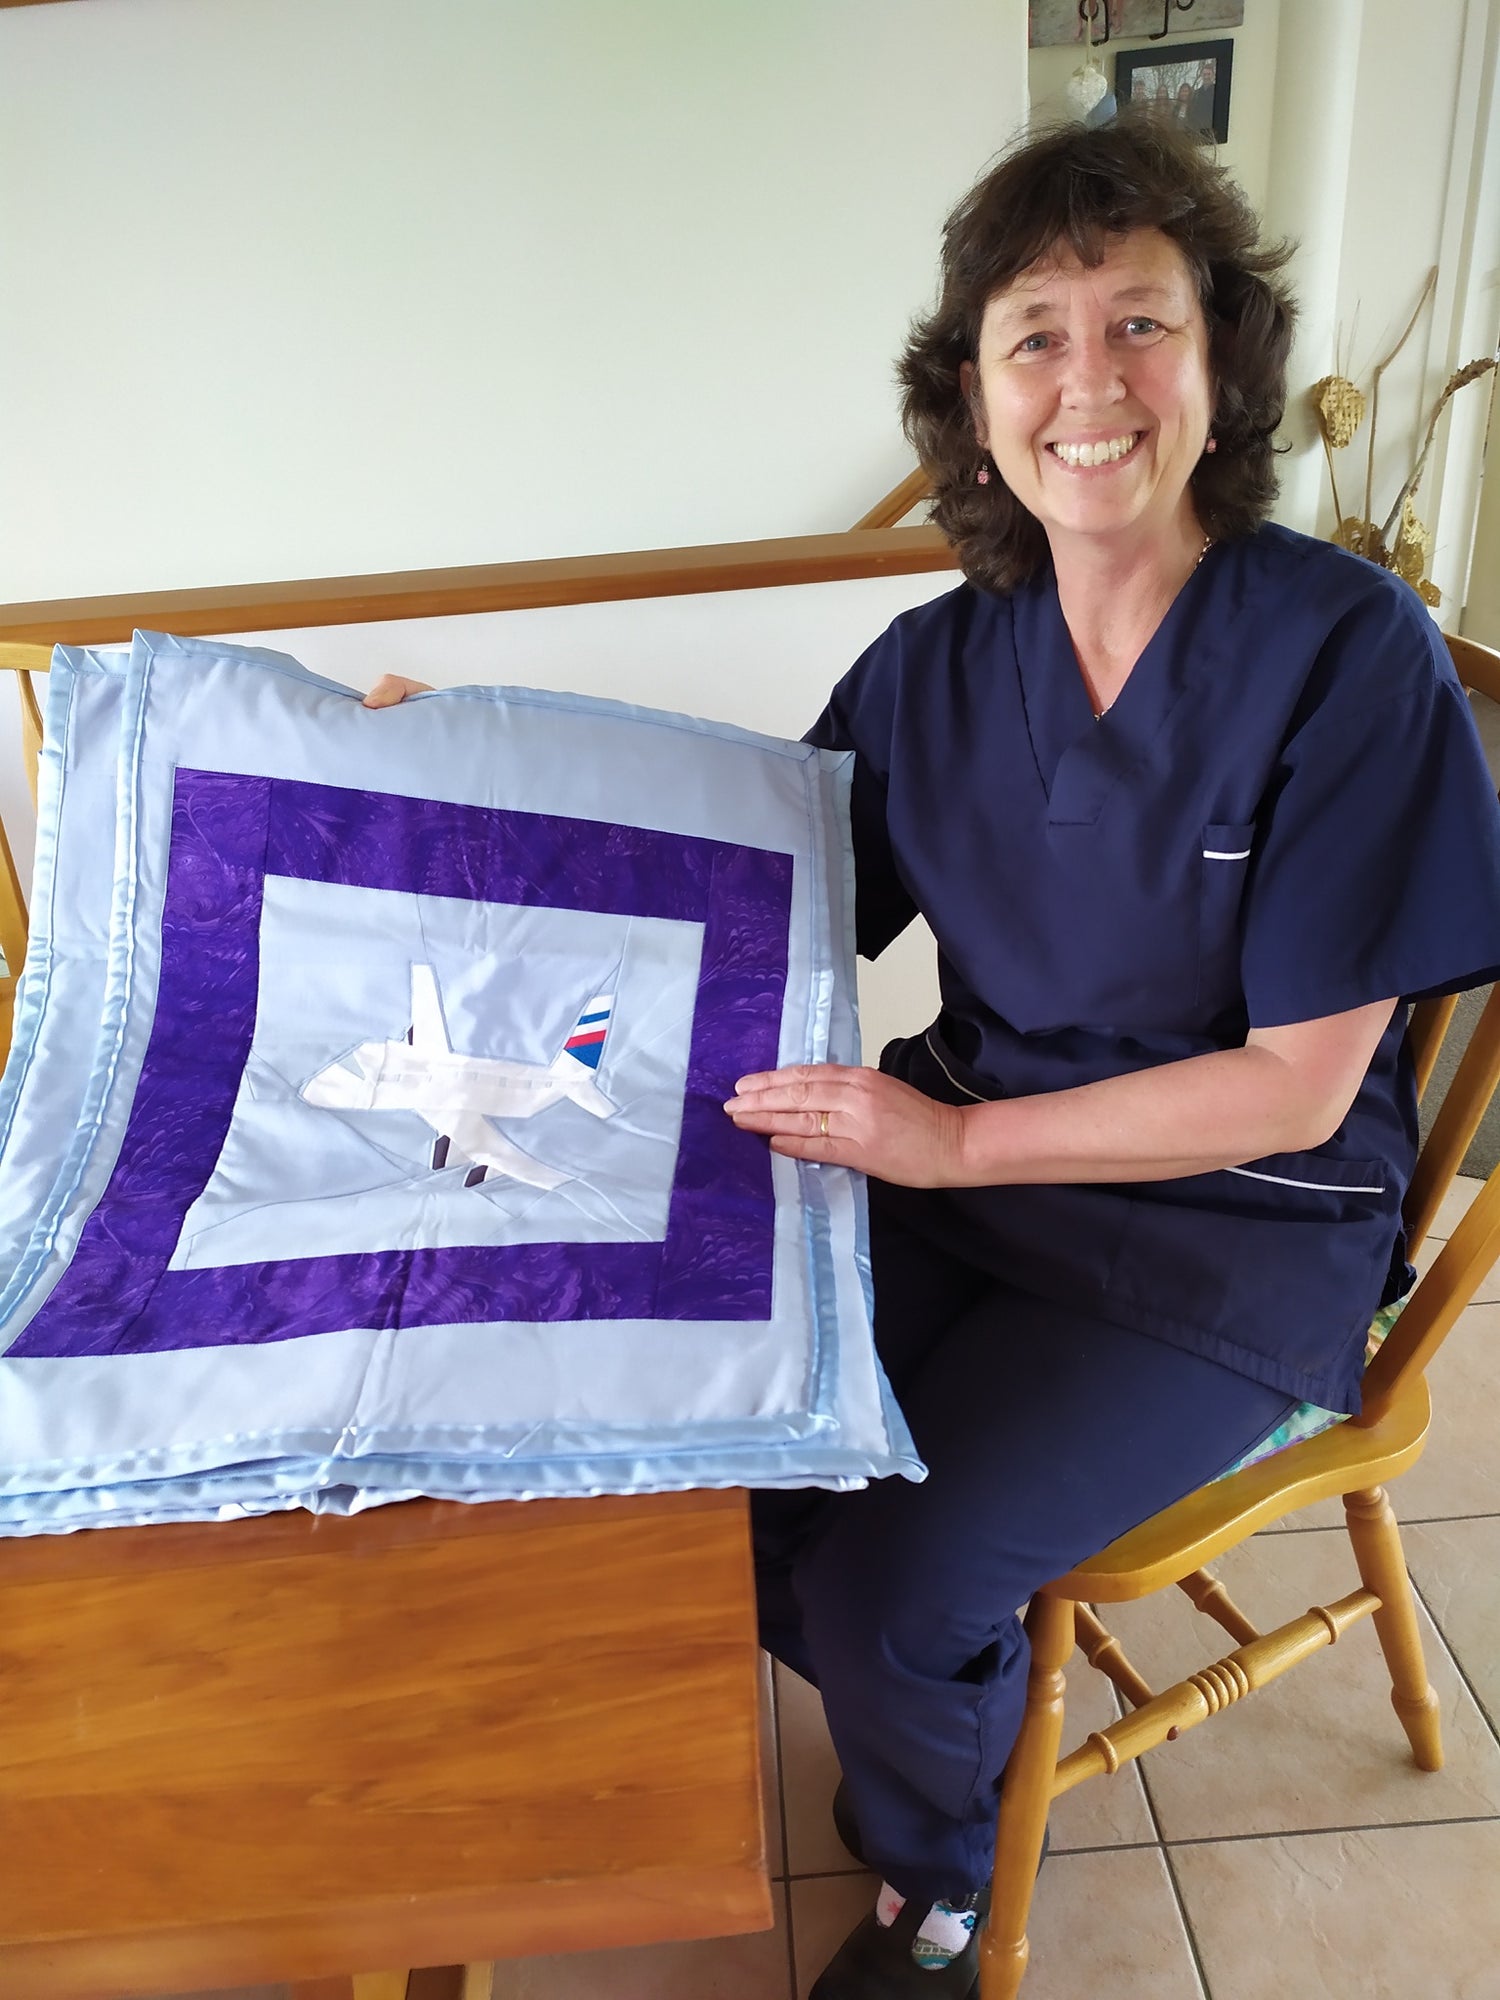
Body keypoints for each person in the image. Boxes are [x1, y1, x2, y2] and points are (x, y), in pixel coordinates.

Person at [719, 115, 1500, 1998]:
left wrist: (946, 1150)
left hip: (1236, 1235)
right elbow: (762, 881)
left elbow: (1303, 1088)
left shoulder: (1343, 650)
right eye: (1036, 333)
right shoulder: (934, 661)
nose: (1092, 383)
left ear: (1216, 362)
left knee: (895, 1587)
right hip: (986, 1173)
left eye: (1140, 322)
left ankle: (935, 1893)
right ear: (974, 395)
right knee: (719, 1476)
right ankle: (949, 1737)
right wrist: (470, 784)